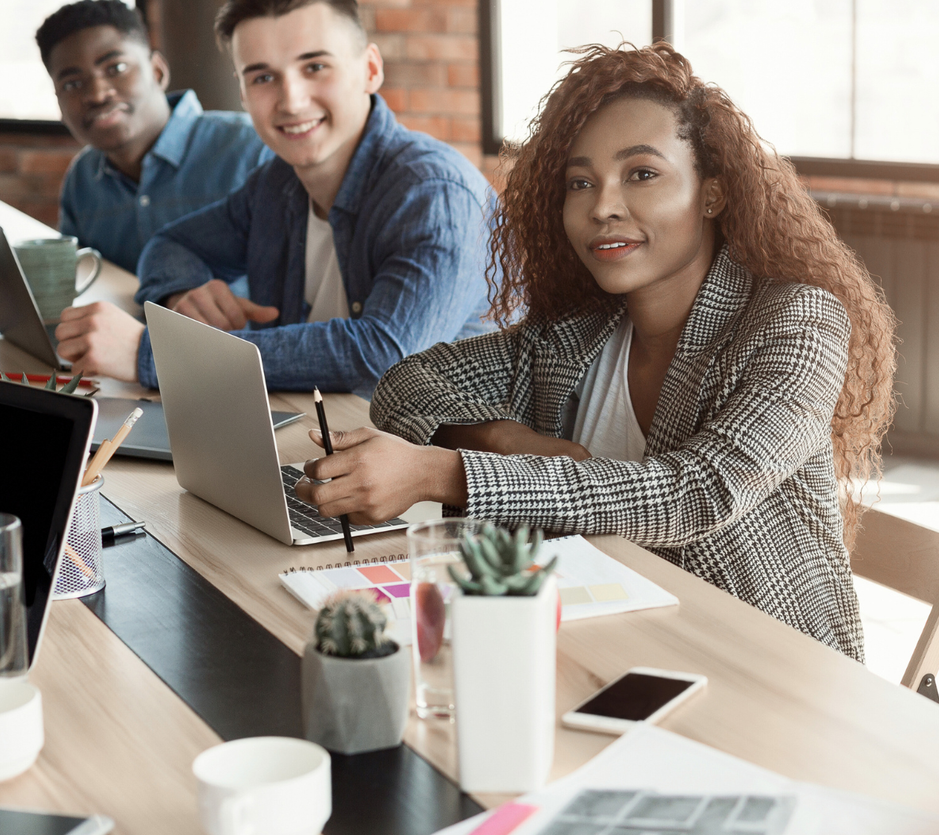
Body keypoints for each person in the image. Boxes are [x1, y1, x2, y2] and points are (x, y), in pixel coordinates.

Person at [292, 44, 897, 659]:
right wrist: (504, 440)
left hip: (769, 665)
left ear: (712, 193)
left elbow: (698, 493)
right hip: (608, 639)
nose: (602, 206)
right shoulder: (583, 328)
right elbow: (407, 386)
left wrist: (443, 472)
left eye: (642, 174)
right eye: (581, 183)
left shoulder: (797, 320)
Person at [54, 0, 496, 394]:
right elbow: (172, 244)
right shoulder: (277, 183)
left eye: (315, 66)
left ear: (370, 70)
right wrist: (183, 294)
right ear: (243, 93)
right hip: (314, 434)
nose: (291, 100)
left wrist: (152, 354)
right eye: (263, 76)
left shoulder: (435, 193)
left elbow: (380, 353)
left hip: (450, 465)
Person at [37, 0, 272, 275]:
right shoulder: (83, 180)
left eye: (116, 68)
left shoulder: (252, 149)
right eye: (72, 84)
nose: (97, 94)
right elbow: (81, 282)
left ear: (157, 72)